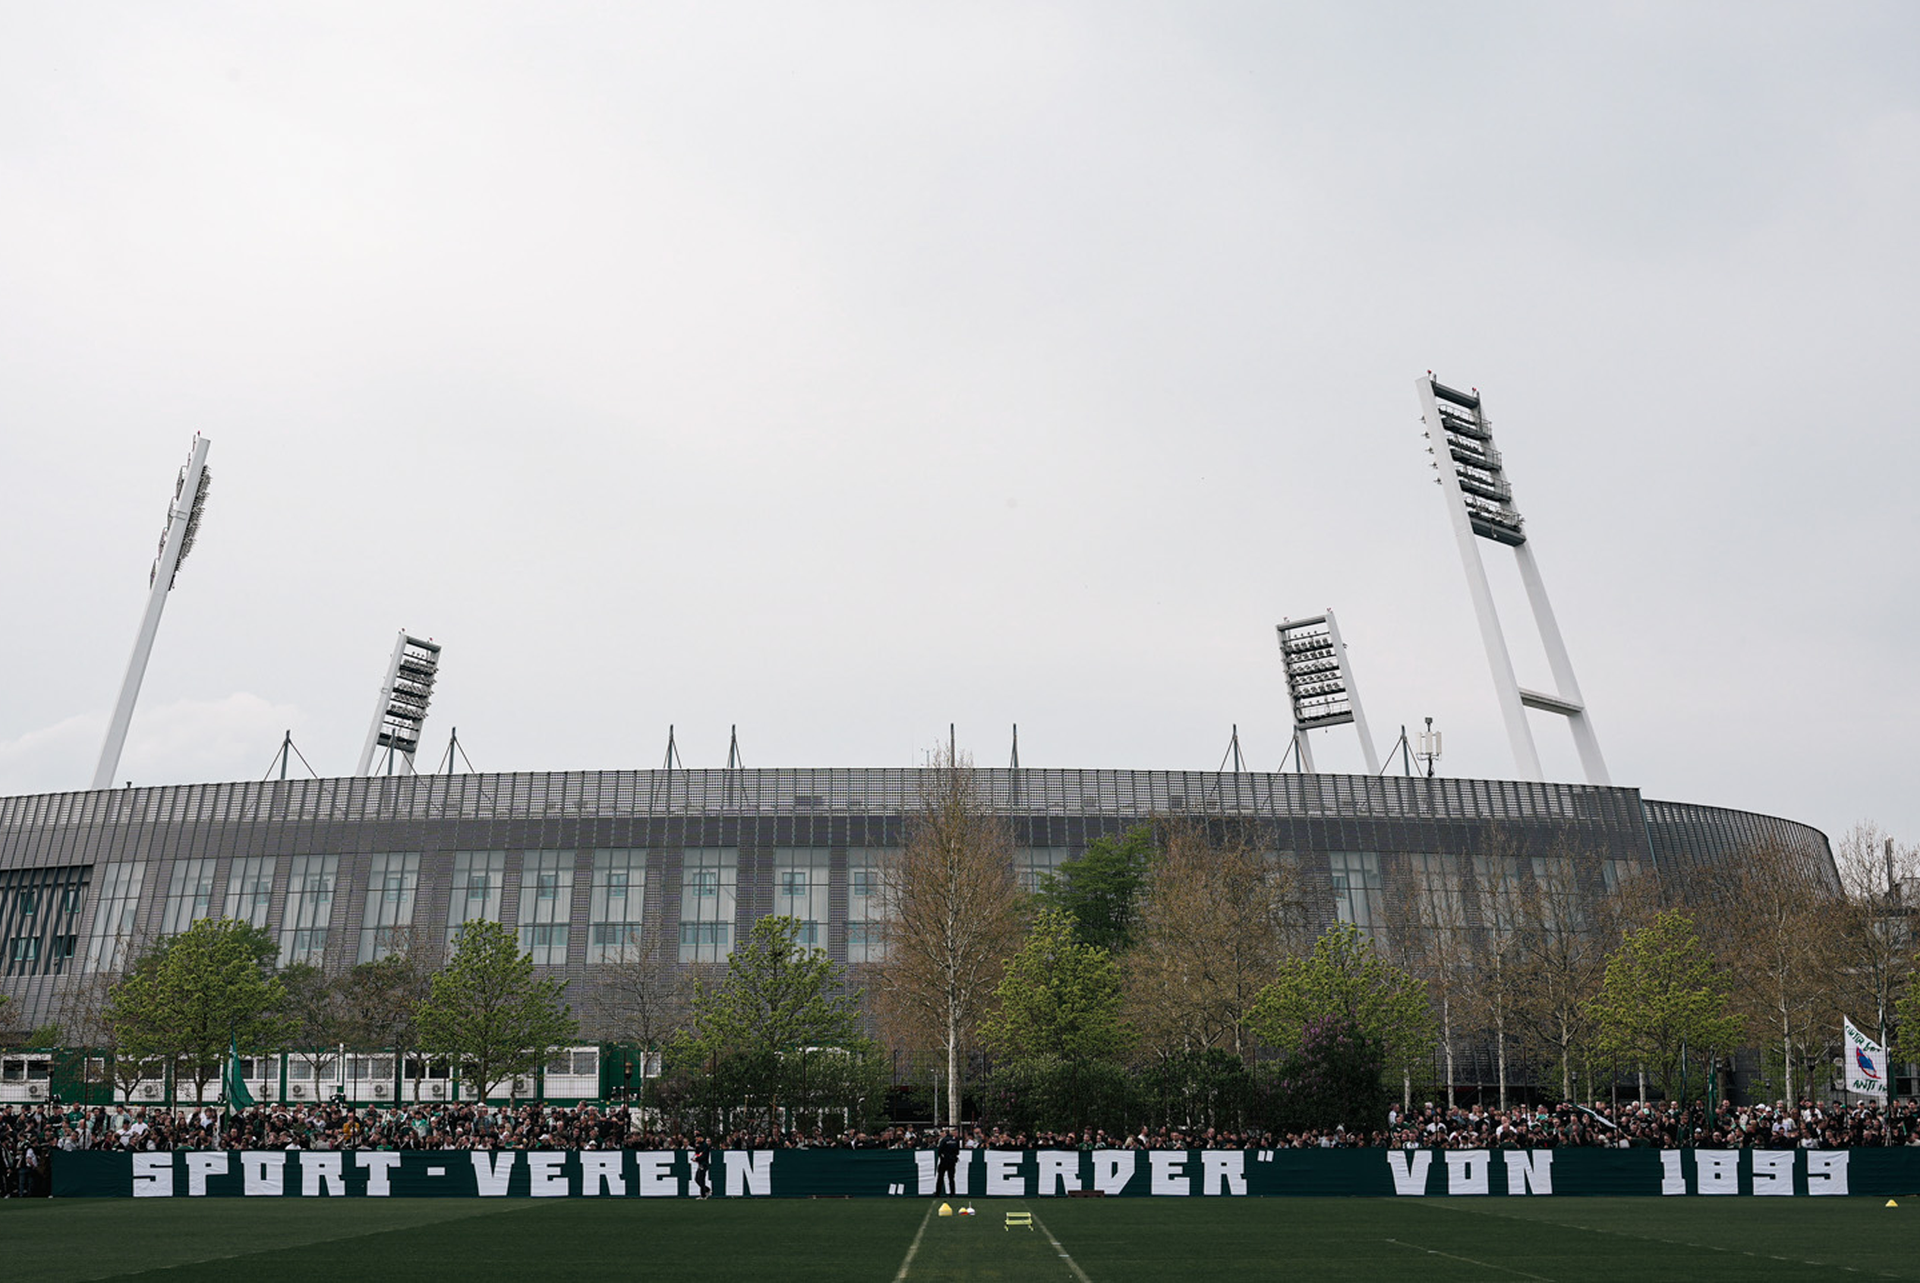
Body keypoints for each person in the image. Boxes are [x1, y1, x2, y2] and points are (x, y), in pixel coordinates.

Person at [935, 1128, 960, 1196]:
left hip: (944, 1161)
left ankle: (938, 1192)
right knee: (951, 1178)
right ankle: (952, 1193)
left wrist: (943, 1157)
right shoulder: (955, 1141)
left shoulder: (944, 1140)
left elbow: (939, 1151)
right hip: (952, 1161)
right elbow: (957, 1152)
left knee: (940, 1177)